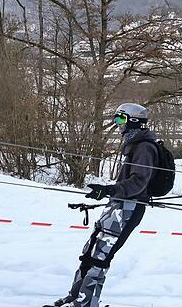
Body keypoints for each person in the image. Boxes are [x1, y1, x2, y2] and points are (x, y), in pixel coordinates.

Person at [47, 103, 159, 307]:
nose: (118, 125)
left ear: (134, 121)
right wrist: (109, 192)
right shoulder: (134, 145)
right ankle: (76, 295)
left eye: (121, 119)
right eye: (117, 119)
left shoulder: (145, 148)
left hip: (130, 208)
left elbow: (138, 182)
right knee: (89, 251)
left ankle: (86, 303)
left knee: (101, 256)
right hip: (119, 206)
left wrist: (108, 190)